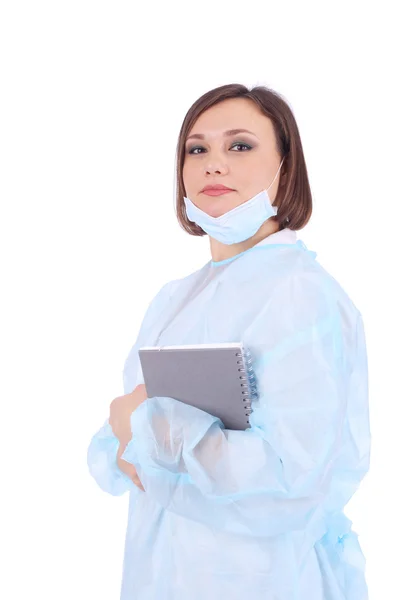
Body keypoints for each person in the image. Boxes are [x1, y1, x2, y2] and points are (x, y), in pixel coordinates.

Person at [87, 83, 371, 600]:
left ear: (286, 167)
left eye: (240, 146)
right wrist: (132, 428)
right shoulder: (172, 300)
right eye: (197, 149)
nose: (214, 164)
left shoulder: (301, 295)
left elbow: (292, 480)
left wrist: (146, 427)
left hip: (266, 582)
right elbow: (121, 455)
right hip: (162, 577)